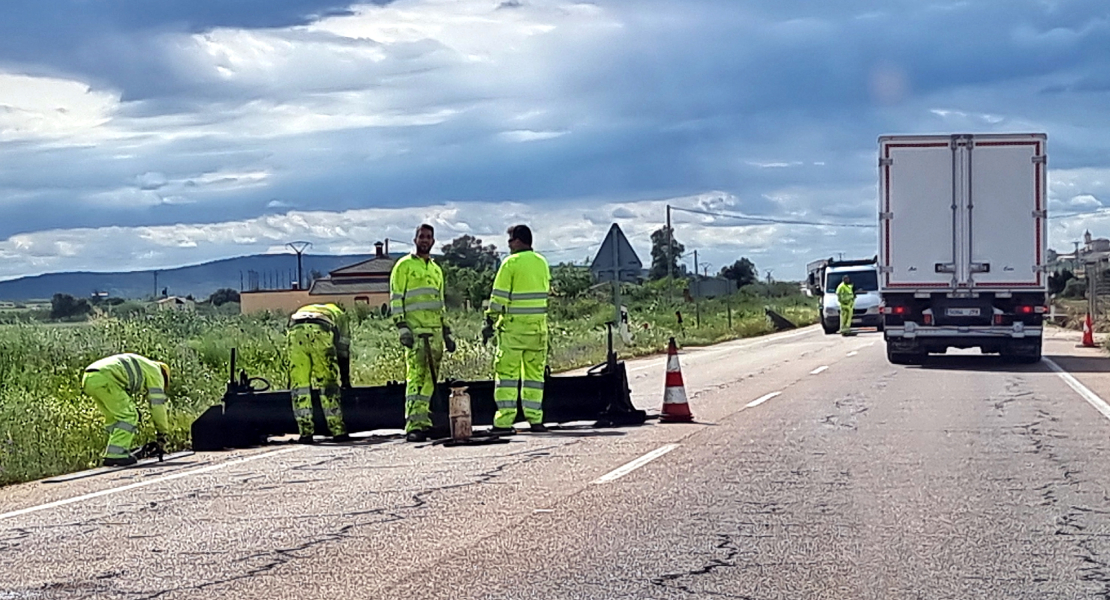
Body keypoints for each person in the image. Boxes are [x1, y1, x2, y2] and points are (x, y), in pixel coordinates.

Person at [482, 224, 551, 434]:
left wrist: (489, 322)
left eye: (510, 240)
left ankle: (503, 422)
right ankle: (535, 419)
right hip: (538, 330)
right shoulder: (542, 263)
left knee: (507, 376)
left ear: (519, 241)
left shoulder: (509, 263)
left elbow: (499, 298)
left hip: (513, 331)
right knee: (534, 377)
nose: (509, 244)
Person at [390, 224, 456, 442]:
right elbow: (396, 298)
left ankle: (425, 421)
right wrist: (402, 327)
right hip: (416, 333)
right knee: (415, 379)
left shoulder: (436, 270)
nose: (425, 240)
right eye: (421, 236)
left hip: (435, 334)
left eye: (429, 237)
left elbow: (440, 302)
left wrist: (446, 332)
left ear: (433, 241)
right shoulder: (404, 266)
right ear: (415, 239)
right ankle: (414, 425)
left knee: (430, 380)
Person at [81, 353, 171, 466]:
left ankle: (114, 450)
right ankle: (116, 455)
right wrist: (163, 433)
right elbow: (158, 406)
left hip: (89, 378)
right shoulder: (156, 373)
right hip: (106, 379)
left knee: (114, 419)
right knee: (129, 416)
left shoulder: (145, 365)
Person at [287, 303, 351, 443]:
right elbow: (343, 351)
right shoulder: (341, 316)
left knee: (300, 385)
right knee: (328, 384)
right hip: (319, 330)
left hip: (295, 330)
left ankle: (305, 433)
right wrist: (345, 379)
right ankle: (338, 431)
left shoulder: (306, 308)